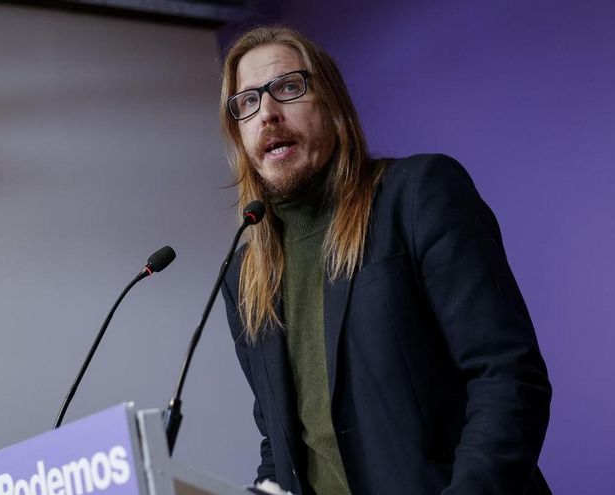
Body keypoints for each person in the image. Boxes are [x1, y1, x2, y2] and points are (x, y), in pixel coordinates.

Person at [218, 25, 552, 495]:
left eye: (288, 88)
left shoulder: (417, 195)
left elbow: (507, 376)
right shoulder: (245, 275)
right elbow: (281, 442)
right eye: (247, 102)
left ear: (332, 103)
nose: (267, 113)